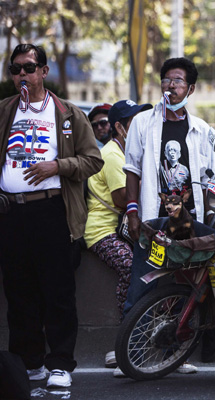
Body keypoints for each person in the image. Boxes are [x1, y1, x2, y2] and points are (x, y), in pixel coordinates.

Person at [0, 44, 103, 388]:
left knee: (57, 291)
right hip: (11, 212)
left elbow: (93, 160)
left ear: (44, 72)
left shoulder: (69, 114)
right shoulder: (4, 111)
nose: (21, 76)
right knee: (18, 293)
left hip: (52, 210)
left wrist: (57, 166)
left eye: (28, 68)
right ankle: (29, 364)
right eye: (15, 70)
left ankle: (60, 364)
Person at [120, 57, 215, 376]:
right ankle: (127, 353)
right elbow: (132, 169)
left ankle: (171, 354)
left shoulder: (201, 130)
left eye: (177, 82)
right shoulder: (143, 123)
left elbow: (208, 179)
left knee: (181, 285)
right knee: (142, 285)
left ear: (190, 89)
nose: (170, 87)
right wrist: (133, 212)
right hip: (152, 221)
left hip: (187, 226)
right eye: (166, 81)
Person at [83, 99, 151, 369]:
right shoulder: (112, 155)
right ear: (120, 128)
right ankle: (125, 337)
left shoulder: (129, 150)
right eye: (134, 123)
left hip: (120, 228)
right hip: (101, 231)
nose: (140, 127)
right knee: (130, 267)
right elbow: (123, 198)